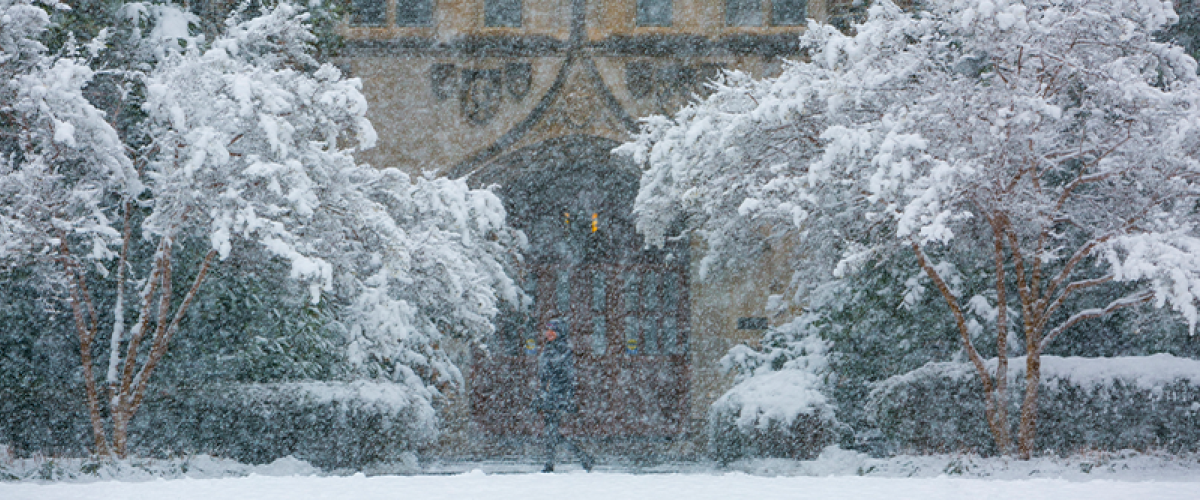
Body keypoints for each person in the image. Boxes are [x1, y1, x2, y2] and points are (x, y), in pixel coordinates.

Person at [536, 317, 593, 472]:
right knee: (551, 431)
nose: (548, 333)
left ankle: (551, 463)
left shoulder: (563, 350)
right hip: (549, 394)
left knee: (551, 431)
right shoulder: (549, 348)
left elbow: (567, 376)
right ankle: (580, 456)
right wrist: (541, 392)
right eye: (547, 330)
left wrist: (562, 395)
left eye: (552, 330)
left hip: (557, 395)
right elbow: (543, 374)